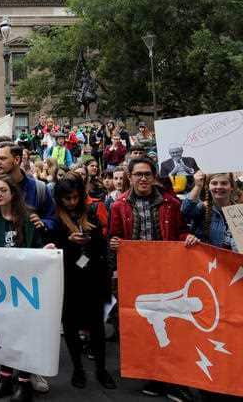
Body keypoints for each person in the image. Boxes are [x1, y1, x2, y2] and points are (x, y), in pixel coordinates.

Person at [109, 157, 198, 402]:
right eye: (138, 174)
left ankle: (172, 378)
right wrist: (114, 243)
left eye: (147, 174)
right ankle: (155, 377)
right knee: (144, 326)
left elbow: (180, 231)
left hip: (166, 274)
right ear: (130, 176)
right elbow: (113, 237)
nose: (143, 178)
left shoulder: (170, 203)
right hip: (136, 277)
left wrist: (187, 237)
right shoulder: (118, 206)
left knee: (173, 323)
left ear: (154, 176)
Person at [0, 174, 56, 402]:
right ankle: (5, 379)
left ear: (12, 193)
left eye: (2, 191)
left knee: (24, 333)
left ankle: (24, 382)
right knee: (5, 332)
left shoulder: (28, 218)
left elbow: (37, 247)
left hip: (24, 286)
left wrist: (46, 249)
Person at [51, 174, 116, 390]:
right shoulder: (55, 219)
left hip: (92, 280)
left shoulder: (90, 214)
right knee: (70, 329)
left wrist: (91, 241)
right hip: (67, 282)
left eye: (75, 197)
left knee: (97, 328)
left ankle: (101, 369)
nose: (72, 202)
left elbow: (101, 246)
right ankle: (78, 368)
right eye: (67, 198)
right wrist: (68, 243)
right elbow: (50, 250)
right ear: (59, 198)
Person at [182, 171, 238, 251]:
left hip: (232, 261)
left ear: (232, 187)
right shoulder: (202, 208)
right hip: (206, 261)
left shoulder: (239, 212)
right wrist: (198, 186)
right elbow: (185, 210)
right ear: (208, 187)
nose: (219, 187)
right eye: (214, 183)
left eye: (224, 183)